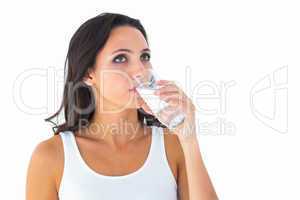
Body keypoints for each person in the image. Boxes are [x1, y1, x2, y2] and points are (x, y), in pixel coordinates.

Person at [26, 12, 218, 200]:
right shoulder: (50, 156)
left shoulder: (174, 146)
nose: (140, 70)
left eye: (144, 57)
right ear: (88, 74)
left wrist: (189, 138)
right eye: (120, 59)